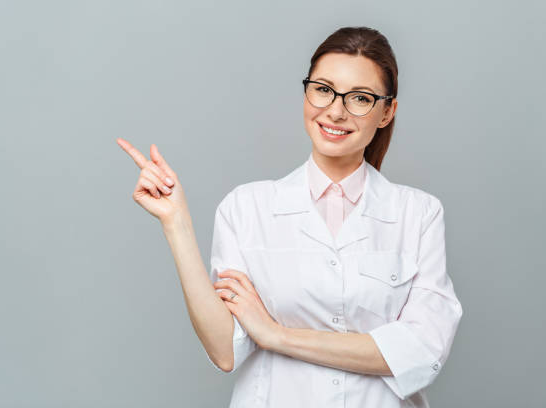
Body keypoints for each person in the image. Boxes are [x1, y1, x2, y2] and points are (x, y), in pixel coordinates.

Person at [116, 26, 463, 408]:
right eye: (323, 89)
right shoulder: (247, 207)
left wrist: (275, 335)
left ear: (387, 112)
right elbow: (224, 352)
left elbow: (420, 352)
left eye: (360, 98)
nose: (335, 110)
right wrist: (176, 223)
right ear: (306, 92)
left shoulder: (418, 214)